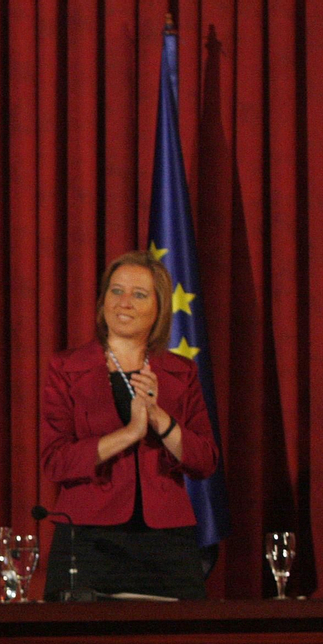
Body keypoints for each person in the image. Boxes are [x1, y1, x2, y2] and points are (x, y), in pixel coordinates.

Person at [38, 250, 218, 600]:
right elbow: (55, 461)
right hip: (89, 540)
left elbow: (204, 461)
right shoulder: (66, 367)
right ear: (102, 299)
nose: (124, 303)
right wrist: (130, 434)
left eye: (139, 294)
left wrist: (159, 420)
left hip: (168, 543)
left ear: (159, 308)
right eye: (116, 291)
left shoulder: (181, 372)